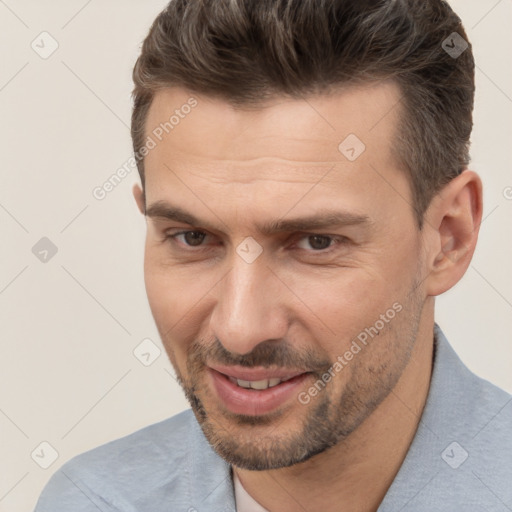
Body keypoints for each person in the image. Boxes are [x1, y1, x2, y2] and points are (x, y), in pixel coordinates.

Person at [34, 0, 512, 510]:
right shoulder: (88, 500)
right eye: (192, 237)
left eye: (316, 242)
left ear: (448, 237)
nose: (239, 329)